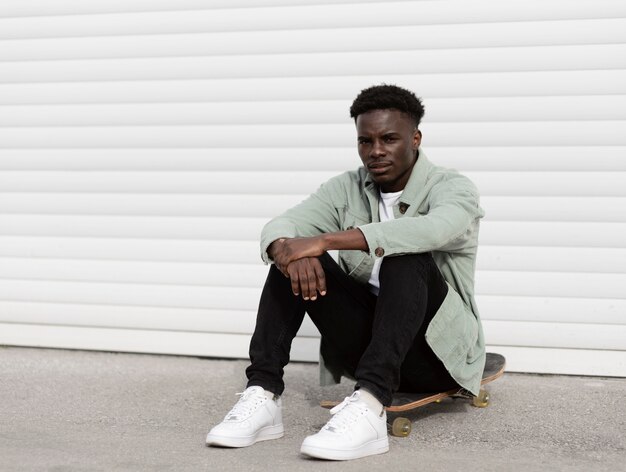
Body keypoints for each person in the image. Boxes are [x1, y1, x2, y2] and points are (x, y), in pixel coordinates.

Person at [206, 84, 486, 460]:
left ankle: (369, 408)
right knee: (292, 261)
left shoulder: (453, 187)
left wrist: (322, 241)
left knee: (405, 254)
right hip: (370, 349)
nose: (376, 151)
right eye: (365, 141)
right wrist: (288, 251)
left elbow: (434, 229)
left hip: (436, 358)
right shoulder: (346, 187)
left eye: (389, 139)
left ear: (415, 138)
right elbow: (284, 224)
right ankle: (263, 395)